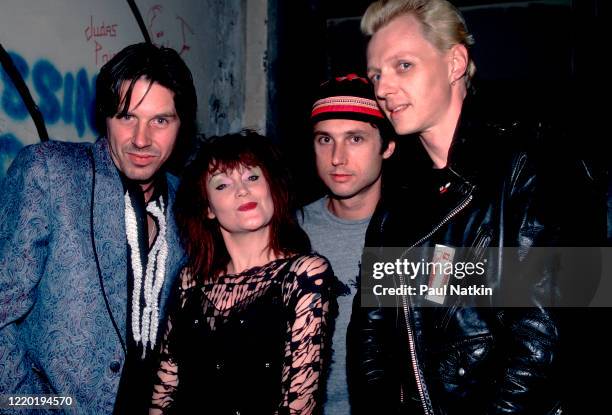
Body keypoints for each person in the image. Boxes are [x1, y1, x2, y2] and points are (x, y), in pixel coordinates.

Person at [347, 1, 576, 413]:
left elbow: (543, 341)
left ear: (454, 63)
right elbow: (371, 339)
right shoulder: (396, 206)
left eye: (403, 66)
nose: (382, 88)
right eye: (376, 75)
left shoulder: (529, 165)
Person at [0, 42, 197, 413]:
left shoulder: (189, 201)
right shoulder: (52, 173)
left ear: (181, 125)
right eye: (127, 117)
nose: (141, 139)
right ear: (106, 117)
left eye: (160, 120)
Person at [150, 131, 336, 415]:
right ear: (208, 209)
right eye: (222, 185)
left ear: (271, 187)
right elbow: (164, 392)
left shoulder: (305, 275)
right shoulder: (190, 280)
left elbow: (299, 408)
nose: (242, 190)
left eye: (252, 177)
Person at [298, 73, 395, 414]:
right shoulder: (287, 232)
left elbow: (554, 286)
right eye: (325, 140)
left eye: (355, 139)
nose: (337, 157)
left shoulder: (419, 236)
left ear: (388, 146)